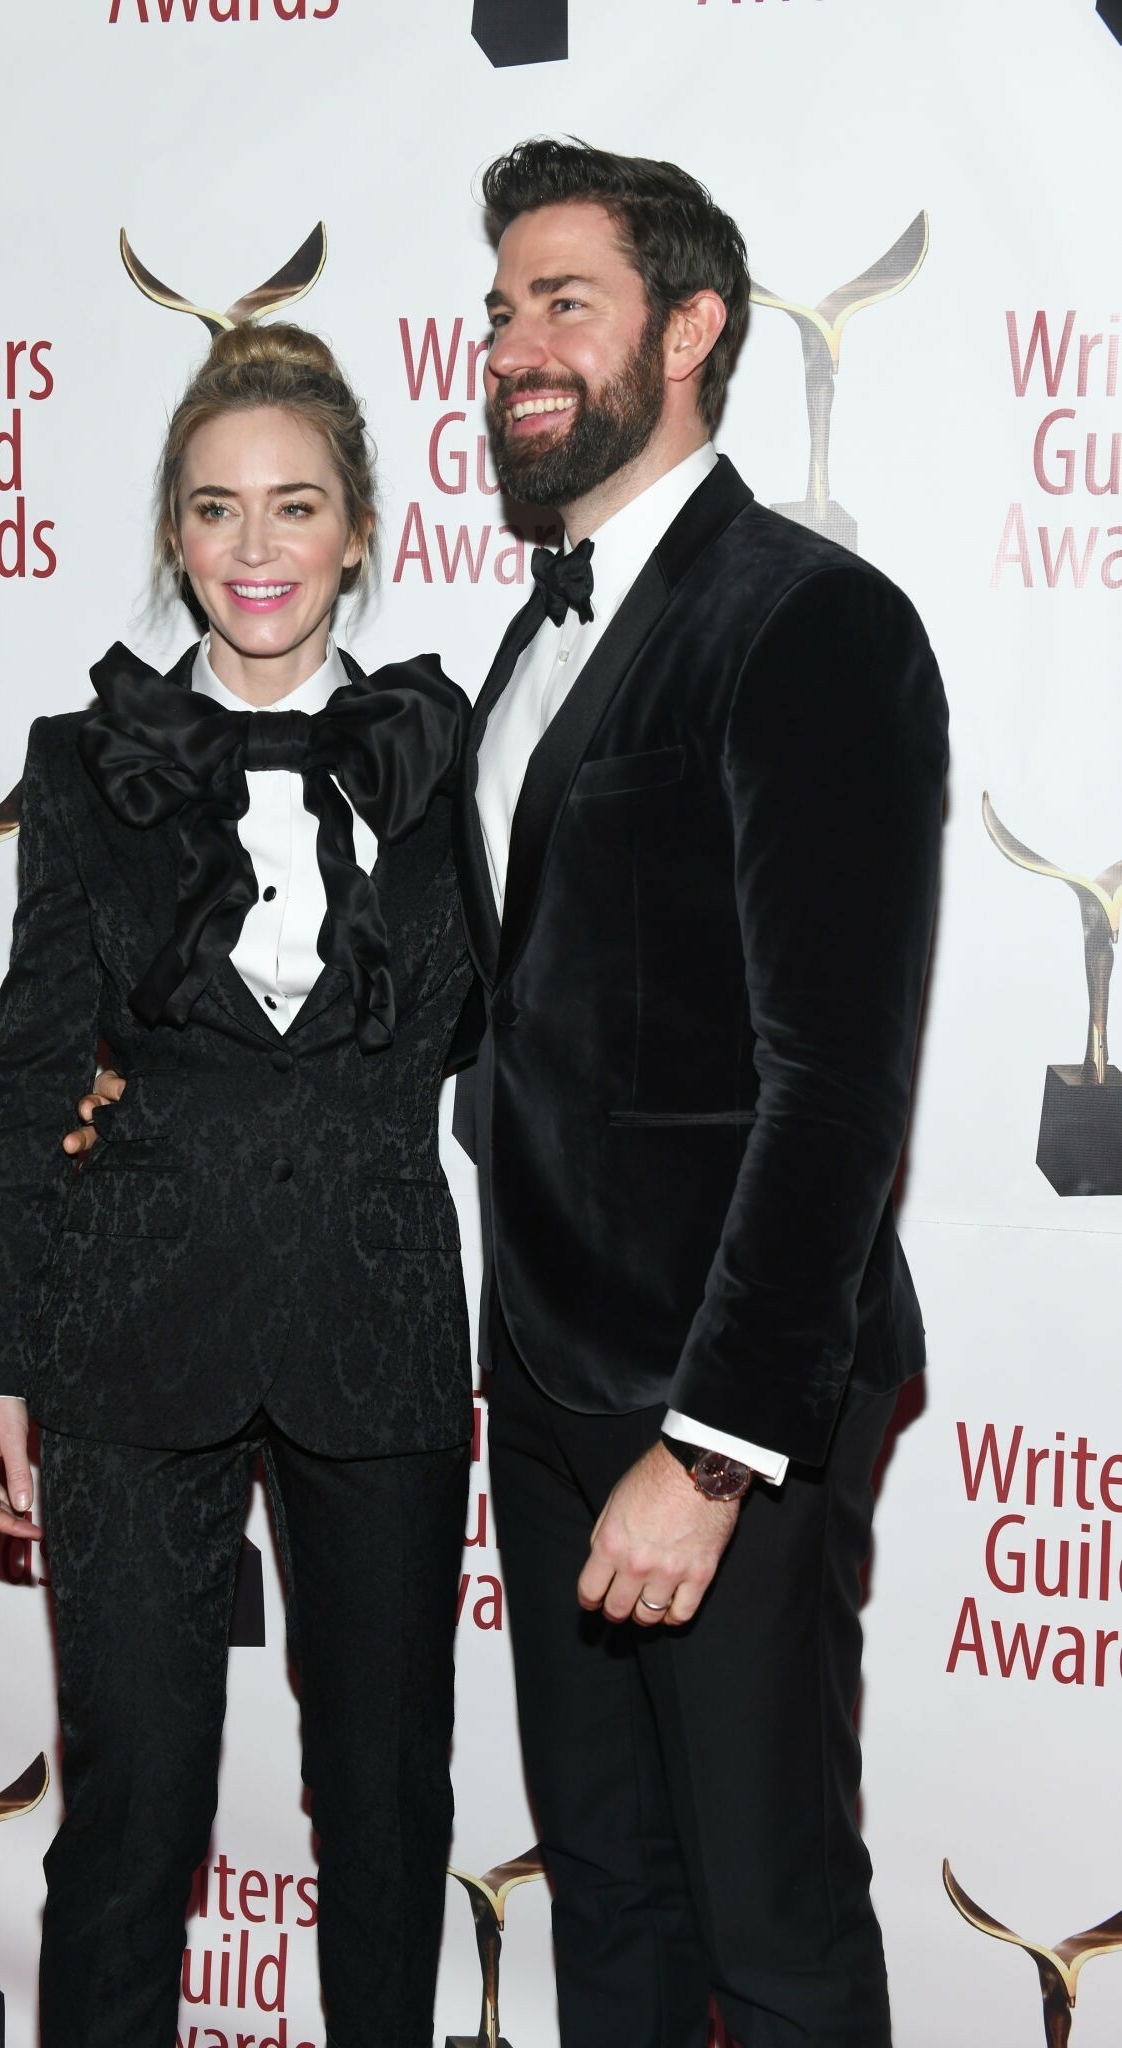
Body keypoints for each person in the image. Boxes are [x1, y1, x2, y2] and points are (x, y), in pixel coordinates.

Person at [450, 140, 949, 2048]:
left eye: (563, 301)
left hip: (722, 1400)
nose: (515, 344)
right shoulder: (533, 632)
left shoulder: (809, 620)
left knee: (771, 1927)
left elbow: (832, 1092)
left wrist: (715, 1452)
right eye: (502, 308)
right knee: (613, 1902)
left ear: (689, 329)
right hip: (543, 1375)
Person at [0, 321, 475, 2048]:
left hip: (379, 1326)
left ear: (357, 531)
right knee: (130, 1817)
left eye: (294, 506)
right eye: (215, 508)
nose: (256, 548)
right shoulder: (81, 762)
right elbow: (36, 1071)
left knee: (388, 1810)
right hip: (127, 1336)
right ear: (175, 537)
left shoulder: (440, 751)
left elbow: (504, 1019)